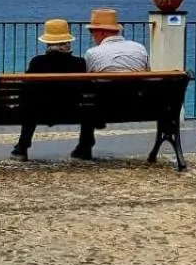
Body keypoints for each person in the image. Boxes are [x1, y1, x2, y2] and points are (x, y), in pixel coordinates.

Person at [9, 18, 88, 160]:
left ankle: (22, 148)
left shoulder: (37, 62)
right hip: (72, 111)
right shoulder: (80, 63)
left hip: (40, 112)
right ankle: (84, 148)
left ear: (48, 42)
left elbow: (26, 88)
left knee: (30, 105)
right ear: (68, 42)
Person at [77, 8, 149, 159]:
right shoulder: (139, 49)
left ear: (102, 32)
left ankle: (85, 145)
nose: (92, 36)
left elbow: (88, 81)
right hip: (138, 106)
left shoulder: (93, 53)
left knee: (89, 98)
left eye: (93, 32)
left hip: (103, 108)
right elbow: (147, 75)